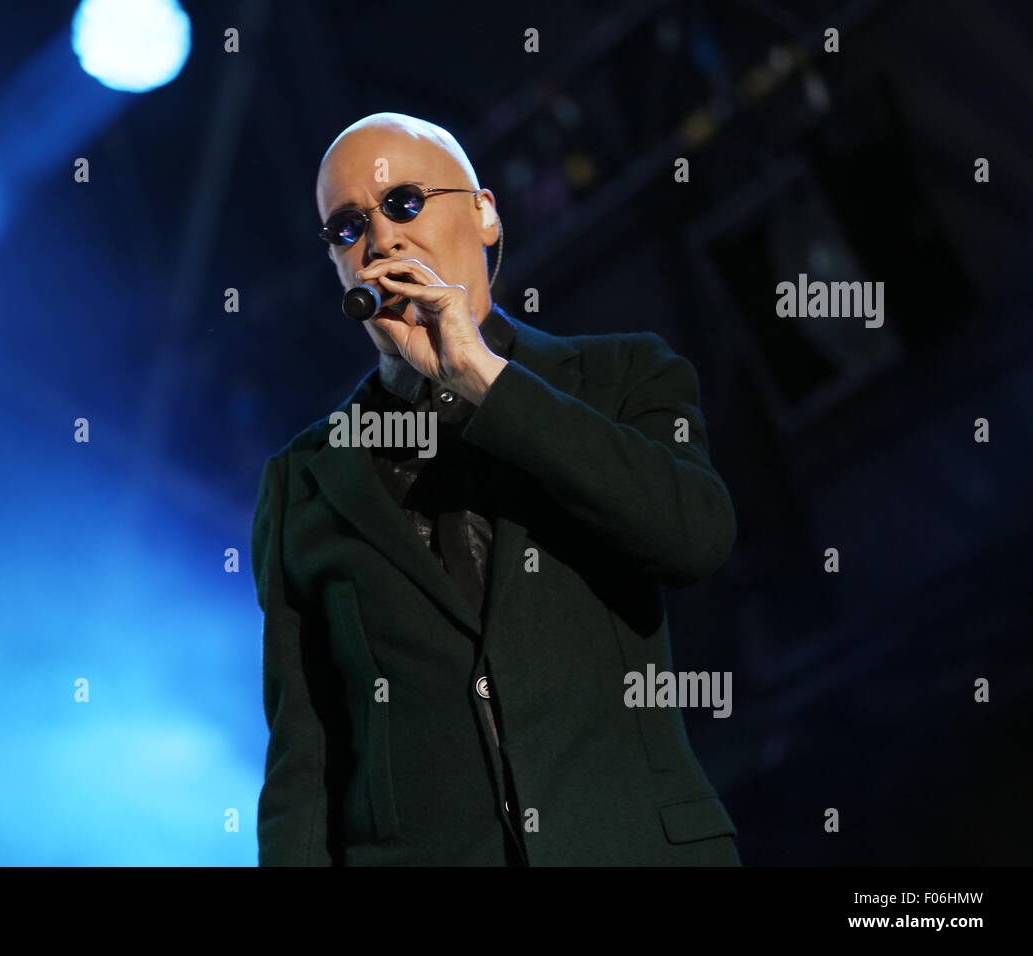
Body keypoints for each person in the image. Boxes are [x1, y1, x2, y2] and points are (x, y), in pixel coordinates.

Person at [250, 111, 742, 865]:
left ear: (483, 213)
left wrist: (481, 376)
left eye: (405, 203)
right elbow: (301, 761)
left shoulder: (621, 377)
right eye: (348, 228)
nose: (381, 240)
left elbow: (693, 536)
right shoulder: (304, 480)